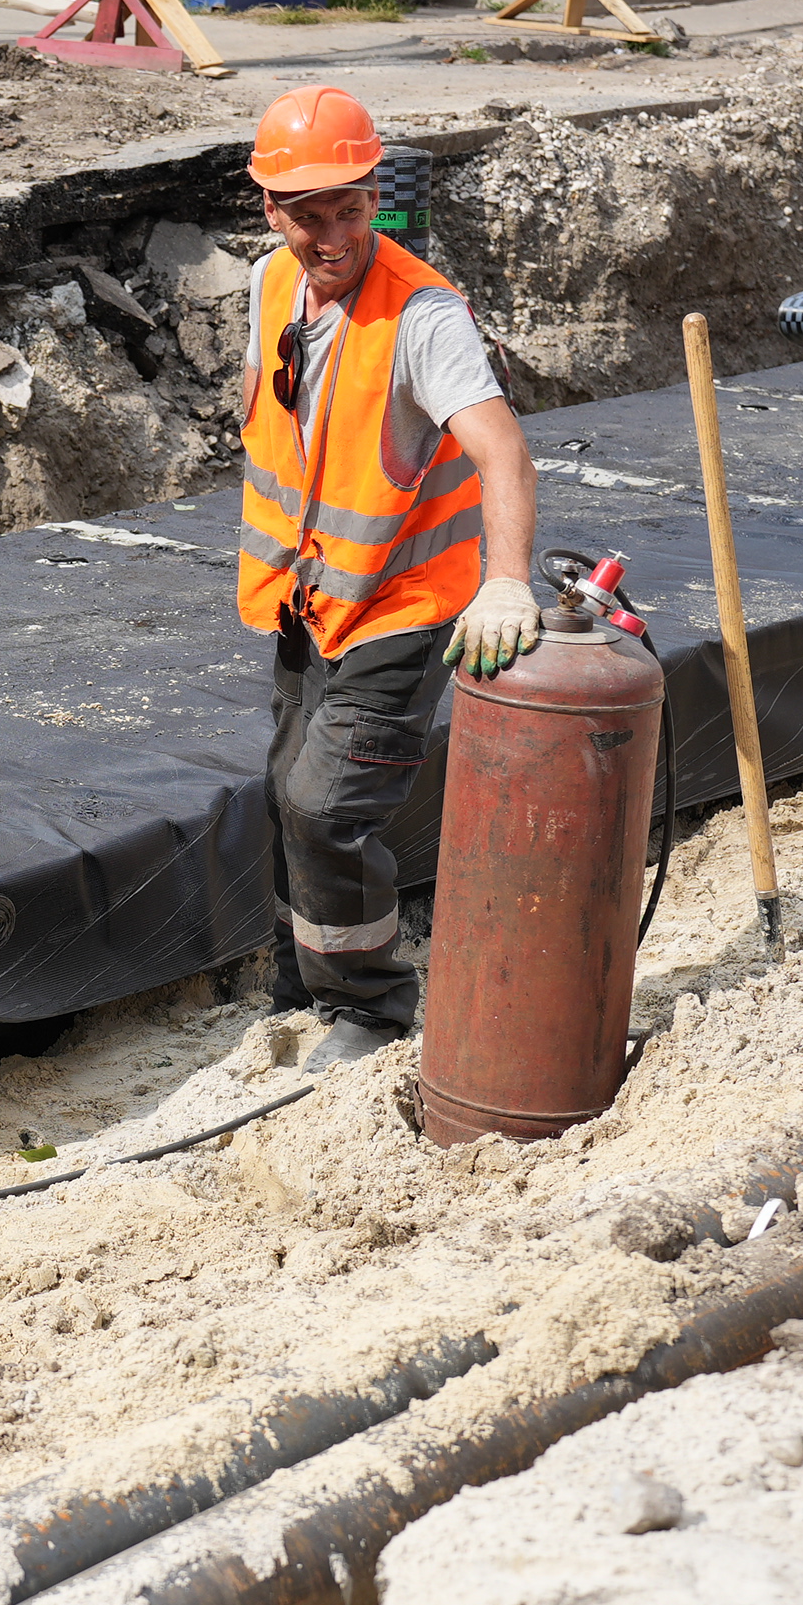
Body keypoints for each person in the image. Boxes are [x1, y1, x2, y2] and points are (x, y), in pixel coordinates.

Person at [238, 87, 543, 1073]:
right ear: (271, 211)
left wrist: (507, 582)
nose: (333, 231)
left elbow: (503, 451)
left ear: (377, 196)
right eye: (308, 211)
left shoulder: (424, 316)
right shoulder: (268, 285)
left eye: (352, 206)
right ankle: (305, 985)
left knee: (329, 804)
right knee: (288, 790)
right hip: (311, 593)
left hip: (406, 602)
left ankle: (370, 1012)